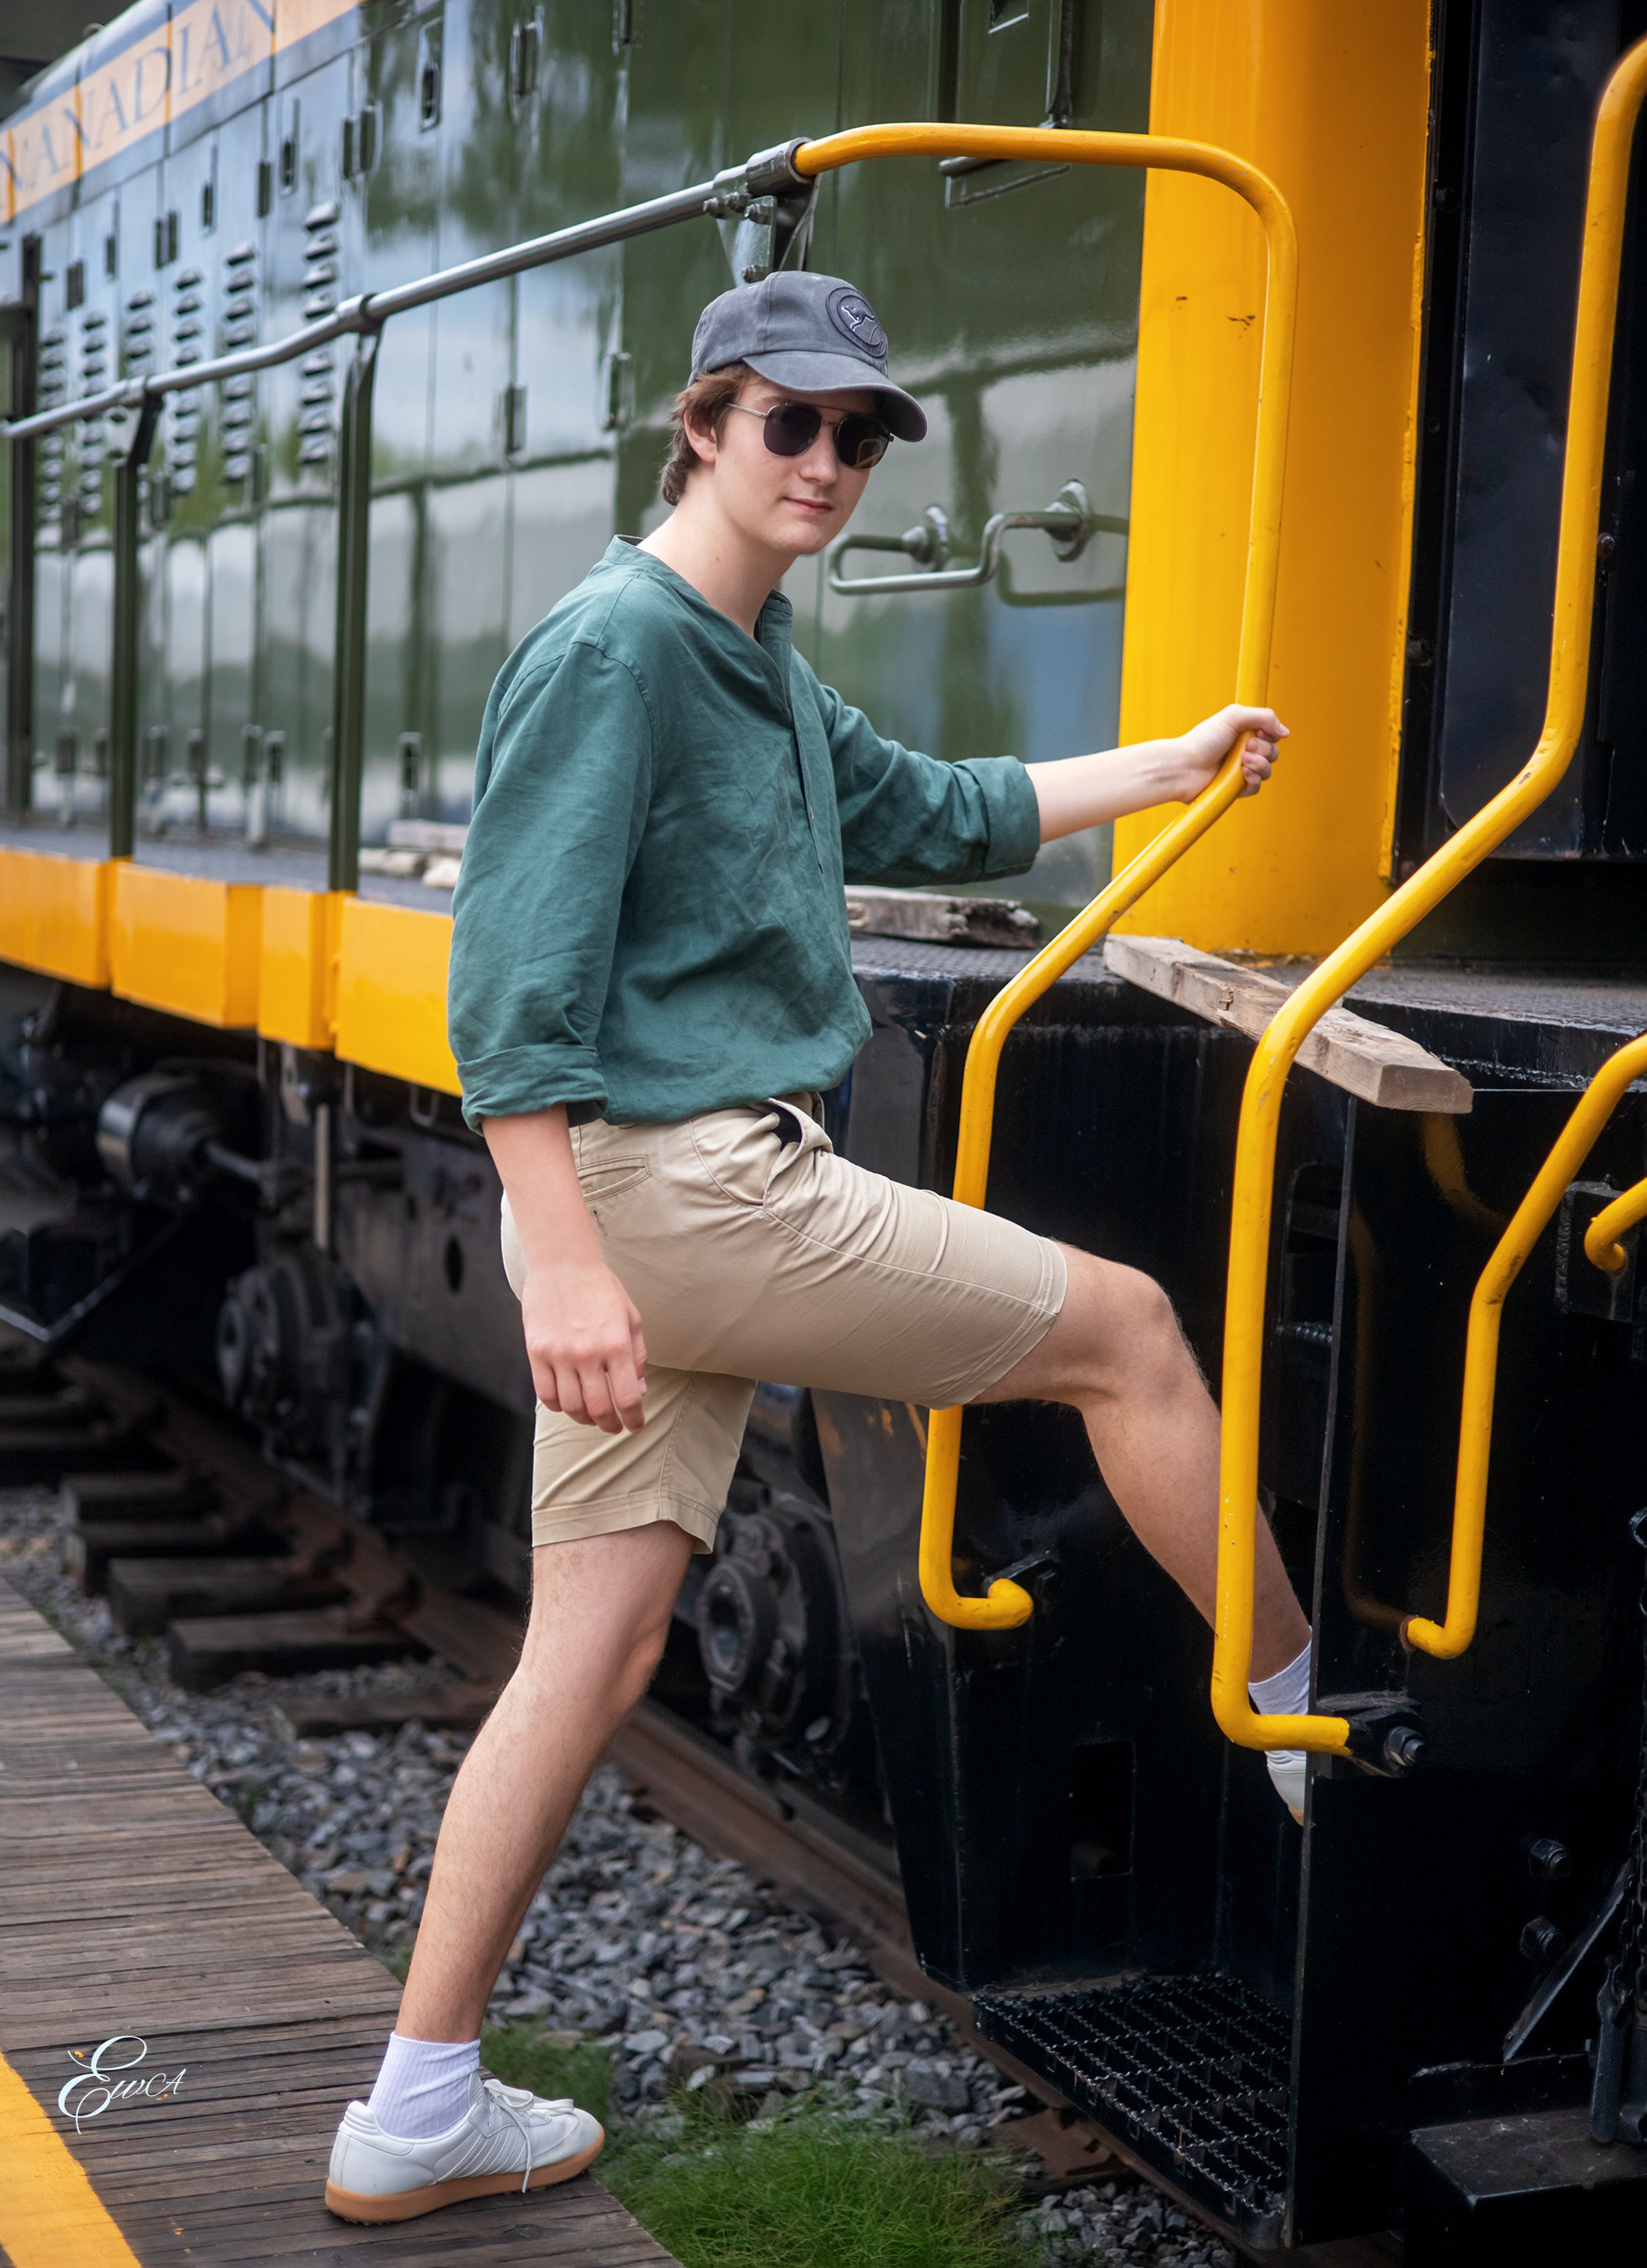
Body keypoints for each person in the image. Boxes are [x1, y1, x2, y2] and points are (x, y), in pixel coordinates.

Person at [324, 269, 1310, 2224]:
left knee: (589, 1652)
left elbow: (947, 812)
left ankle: (413, 2104)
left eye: (863, 436)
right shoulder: (618, 647)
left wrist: (1171, 762)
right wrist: (567, 1262)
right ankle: (1314, 1721)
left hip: (659, 1201)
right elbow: (509, 993)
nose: (834, 464)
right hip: (682, 1194)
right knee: (1128, 1333)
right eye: (796, 423)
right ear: (701, 422)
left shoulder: (754, 662)